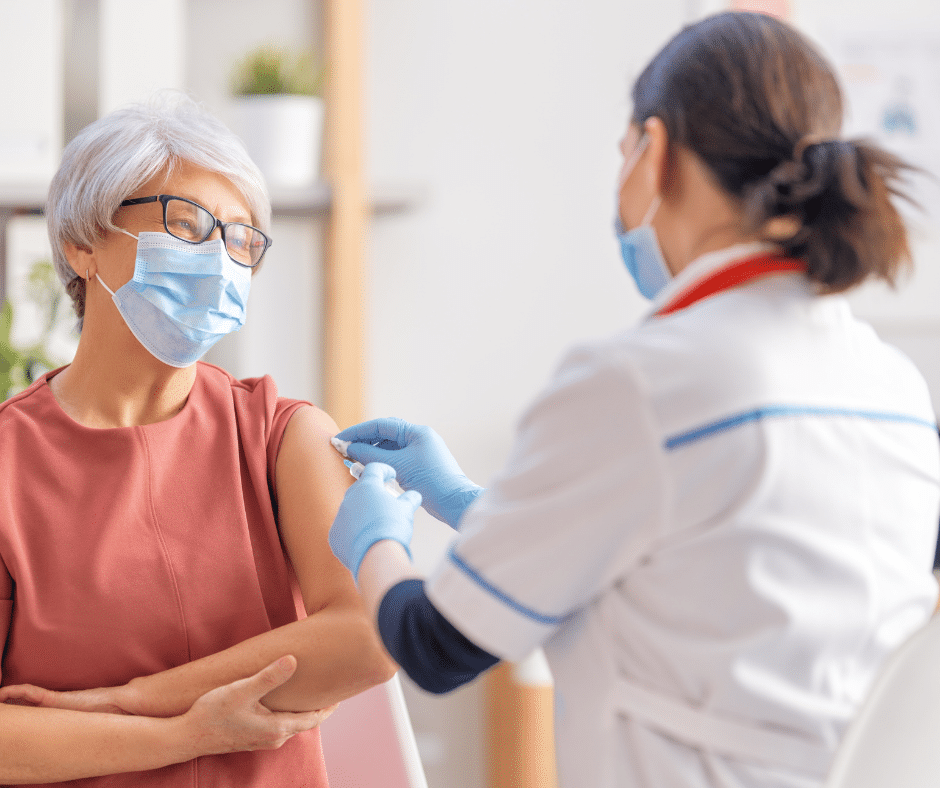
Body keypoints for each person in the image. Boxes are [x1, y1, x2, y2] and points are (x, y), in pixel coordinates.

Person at [327, 12, 940, 788]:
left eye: (622, 154)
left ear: (654, 152)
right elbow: (694, 574)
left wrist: (373, 540)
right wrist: (465, 502)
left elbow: (437, 645)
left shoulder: (641, 383)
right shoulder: (892, 385)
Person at [0, 94, 395, 785]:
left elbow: (370, 636)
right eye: (186, 225)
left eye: (242, 240)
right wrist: (183, 734)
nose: (219, 259)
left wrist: (130, 701)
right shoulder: (9, 465)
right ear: (81, 246)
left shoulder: (285, 436)